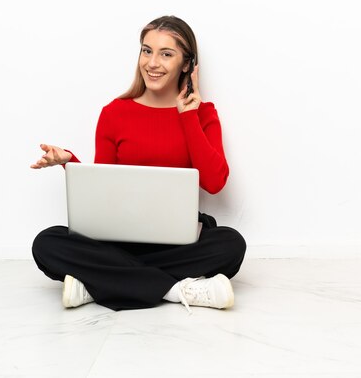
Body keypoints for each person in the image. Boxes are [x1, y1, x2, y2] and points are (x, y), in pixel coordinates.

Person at [30, 16, 246, 313]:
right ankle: (177, 289)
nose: (152, 63)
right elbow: (103, 187)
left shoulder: (203, 114)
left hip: (177, 240)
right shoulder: (114, 113)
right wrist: (71, 163)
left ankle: (96, 284)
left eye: (166, 54)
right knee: (46, 243)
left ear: (187, 65)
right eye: (147, 51)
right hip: (120, 239)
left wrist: (187, 116)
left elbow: (214, 181)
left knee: (231, 244)